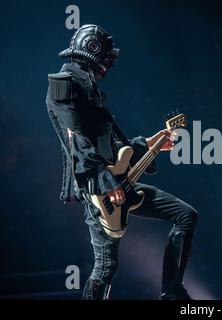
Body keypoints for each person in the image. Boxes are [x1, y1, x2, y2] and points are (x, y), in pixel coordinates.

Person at [46, 24, 198, 300]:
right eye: (105, 56)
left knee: (186, 215)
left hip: (116, 181)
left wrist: (149, 144)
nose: (108, 64)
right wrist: (105, 181)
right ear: (93, 50)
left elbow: (111, 146)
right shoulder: (64, 85)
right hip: (97, 188)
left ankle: (172, 292)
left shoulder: (89, 87)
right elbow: (77, 141)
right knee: (105, 267)